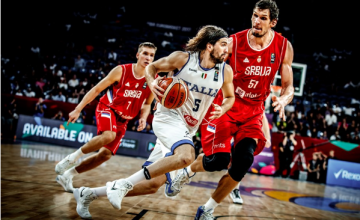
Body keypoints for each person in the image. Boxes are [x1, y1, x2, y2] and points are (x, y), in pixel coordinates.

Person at [72, 25, 235, 219]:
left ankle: (88, 194)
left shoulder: (225, 72)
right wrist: (152, 82)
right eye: (223, 44)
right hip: (168, 118)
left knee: (151, 185)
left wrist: (222, 108)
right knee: (186, 157)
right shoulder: (182, 59)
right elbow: (152, 67)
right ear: (209, 46)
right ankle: (121, 186)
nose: (227, 49)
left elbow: (230, 97)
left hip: (187, 130)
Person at [163, 1, 294, 218]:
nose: (256, 21)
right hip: (226, 106)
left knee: (243, 162)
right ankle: (187, 171)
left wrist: (284, 99)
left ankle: (207, 209)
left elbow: (289, 86)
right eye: (254, 16)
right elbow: (203, 63)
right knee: (218, 161)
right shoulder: (233, 43)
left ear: (273, 22)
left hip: (253, 112)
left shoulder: (283, 47)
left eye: (262, 18)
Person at [54, 42, 157, 193]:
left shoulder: (152, 79)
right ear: (138, 55)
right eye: (145, 53)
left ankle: (68, 175)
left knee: (105, 155)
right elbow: (96, 89)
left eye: (151, 55)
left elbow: (147, 104)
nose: (148, 57)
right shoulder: (121, 71)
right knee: (109, 135)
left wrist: (143, 117)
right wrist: (78, 109)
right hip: (108, 108)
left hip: (124, 119)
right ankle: (70, 159)